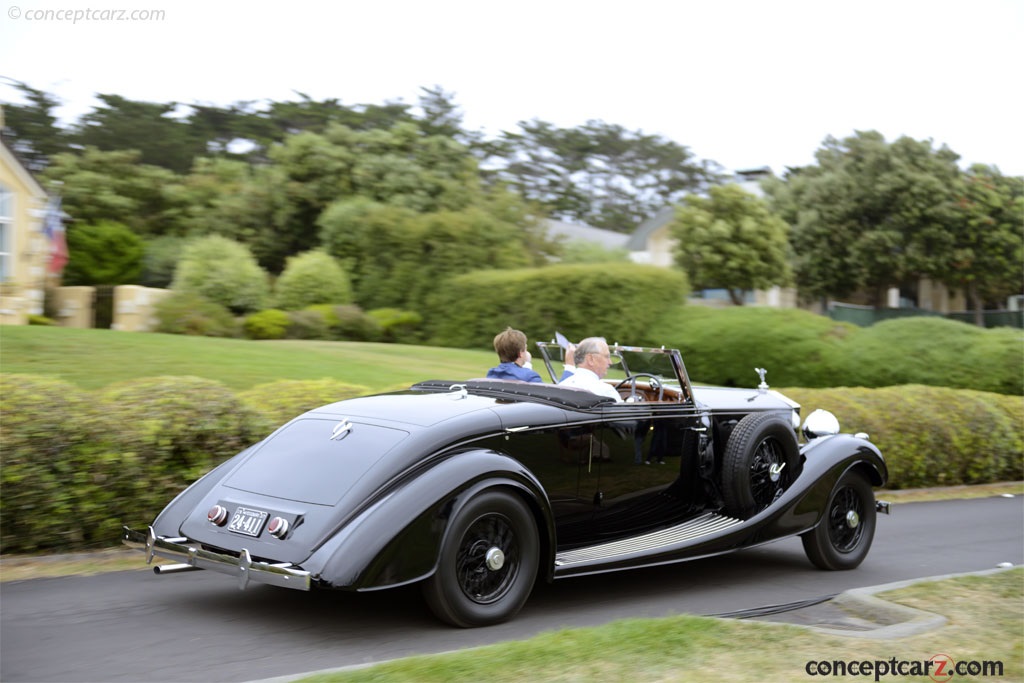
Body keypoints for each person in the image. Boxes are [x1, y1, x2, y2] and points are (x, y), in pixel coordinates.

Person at [558, 337, 622, 402]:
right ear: (591, 359)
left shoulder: (562, 386)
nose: (610, 362)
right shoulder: (606, 391)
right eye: (607, 356)